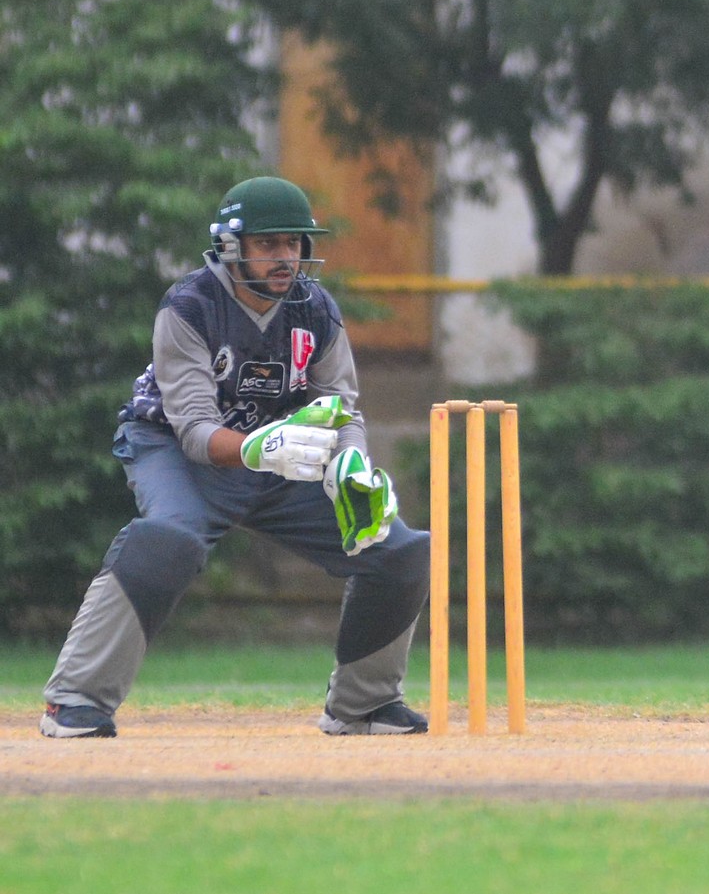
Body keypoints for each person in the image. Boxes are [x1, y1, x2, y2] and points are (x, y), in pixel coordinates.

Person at [40, 176, 431, 738]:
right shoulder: (189, 306)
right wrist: (257, 447)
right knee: (168, 539)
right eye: (268, 244)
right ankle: (75, 700)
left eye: (293, 243)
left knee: (396, 549)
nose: (285, 257)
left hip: (282, 456)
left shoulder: (316, 309)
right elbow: (196, 431)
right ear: (230, 246)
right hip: (177, 450)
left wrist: (351, 466)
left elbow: (341, 408)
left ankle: (364, 705)